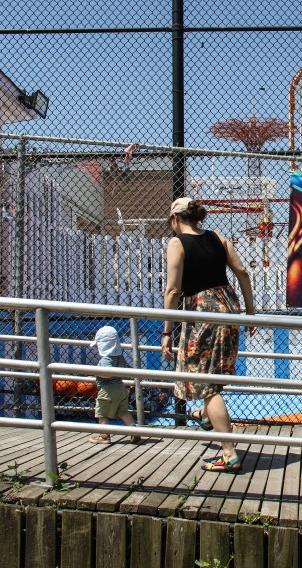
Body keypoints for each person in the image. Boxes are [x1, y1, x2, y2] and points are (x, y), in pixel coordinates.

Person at [160, 197, 256, 473]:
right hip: (228, 308)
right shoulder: (218, 237)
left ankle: (229, 453)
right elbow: (242, 272)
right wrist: (249, 313)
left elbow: (173, 291)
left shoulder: (177, 243)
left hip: (202, 313)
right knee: (214, 374)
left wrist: (167, 330)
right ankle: (204, 416)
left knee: (207, 384)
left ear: (175, 218)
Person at [88, 325, 140, 444]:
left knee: (102, 413)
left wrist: (95, 372)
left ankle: (104, 436)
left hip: (107, 390)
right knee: (123, 412)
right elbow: (125, 369)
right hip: (120, 389)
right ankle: (134, 430)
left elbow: (108, 374)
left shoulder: (107, 359)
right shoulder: (119, 357)